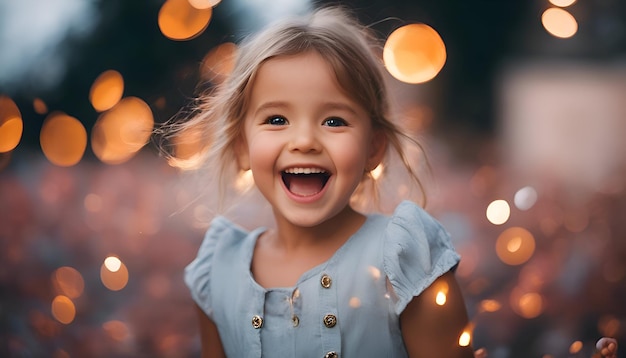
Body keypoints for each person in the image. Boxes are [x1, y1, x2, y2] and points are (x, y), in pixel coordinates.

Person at [163, 5, 619, 358]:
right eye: (277, 118)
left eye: (335, 121)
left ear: (374, 149)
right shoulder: (218, 270)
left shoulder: (403, 259)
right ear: (241, 146)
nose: (304, 141)